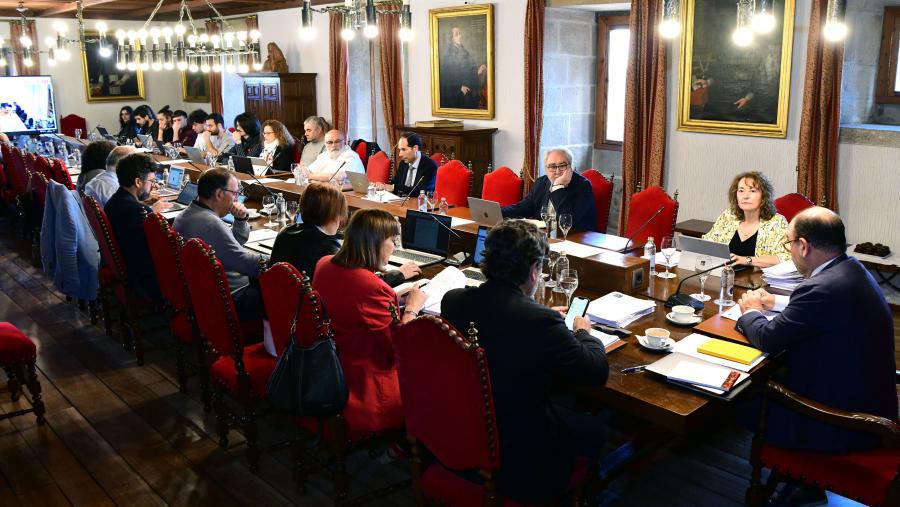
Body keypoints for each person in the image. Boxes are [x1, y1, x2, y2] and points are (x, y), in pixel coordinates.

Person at [441, 220, 608, 504]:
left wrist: (539, 314)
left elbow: (502, 323)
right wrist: (583, 332)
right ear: (534, 270)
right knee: (598, 428)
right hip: (521, 452)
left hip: (463, 429)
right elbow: (595, 372)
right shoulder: (540, 321)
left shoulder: (453, 301)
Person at [736, 207, 896, 455]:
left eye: (789, 244)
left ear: (803, 245)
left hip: (842, 422)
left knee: (738, 399)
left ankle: (801, 480)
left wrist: (750, 311)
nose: (790, 250)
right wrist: (775, 303)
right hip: (869, 401)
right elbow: (825, 312)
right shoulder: (851, 269)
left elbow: (768, 338)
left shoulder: (821, 287)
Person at [312, 209, 427, 434]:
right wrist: (412, 308)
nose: (394, 247)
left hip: (328, 365)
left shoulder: (324, 263)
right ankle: (403, 446)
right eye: (392, 240)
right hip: (364, 384)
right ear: (375, 243)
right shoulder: (373, 287)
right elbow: (398, 350)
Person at [269, 183, 420, 285]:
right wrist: (399, 274)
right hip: (313, 318)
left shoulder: (286, 232)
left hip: (279, 310)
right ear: (336, 214)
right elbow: (360, 284)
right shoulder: (327, 247)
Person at [174, 168, 267, 321]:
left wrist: (240, 220)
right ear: (218, 194)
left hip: (206, 294)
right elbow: (245, 264)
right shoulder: (210, 223)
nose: (236, 199)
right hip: (231, 298)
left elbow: (230, 246)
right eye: (235, 193)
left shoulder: (187, 213)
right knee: (285, 292)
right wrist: (279, 257)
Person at [104, 153, 171, 301]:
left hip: (128, 267)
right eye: (151, 181)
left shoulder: (114, 202)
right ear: (138, 182)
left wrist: (149, 208)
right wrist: (152, 213)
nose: (153, 185)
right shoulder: (138, 212)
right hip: (145, 280)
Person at [702, 171, 790, 268]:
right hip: (724, 275)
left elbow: (785, 257)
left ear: (764, 196)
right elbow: (708, 242)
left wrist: (746, 260)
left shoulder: (777, 222)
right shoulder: (728, 216)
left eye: (752, 191)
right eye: (741, 191)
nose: (745, 196)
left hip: (758, 280)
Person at [502, 147, 597, 232]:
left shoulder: (583, 186)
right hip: (544, 237)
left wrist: (558, 187)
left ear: (570, 167)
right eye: (552, 166)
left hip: (576, 238)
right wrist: (499, 212)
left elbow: (566, 222)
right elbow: (524, 207)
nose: (557, 171)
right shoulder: (541, 182)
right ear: (546, 169)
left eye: (562, 165)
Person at [439, 26, 486, 109]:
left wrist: (478, 71)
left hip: (468, 89)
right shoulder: (448, 53)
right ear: (451, 38)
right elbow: (445, 77)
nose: (460, 36)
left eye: (460, 33)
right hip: (458, 94)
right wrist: (458, 87)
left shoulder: (463, 50)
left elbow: (468, 68)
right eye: (456, 34)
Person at [392, 132, 437, 197]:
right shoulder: (403, 163)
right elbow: (395, 182)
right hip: (399, 203)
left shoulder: (430, 166)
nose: (400, 154)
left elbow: (422, 192)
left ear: (415, 148)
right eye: (400, 150)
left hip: (418, 205)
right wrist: (383, 186)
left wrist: (394, 187)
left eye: (403, 149)